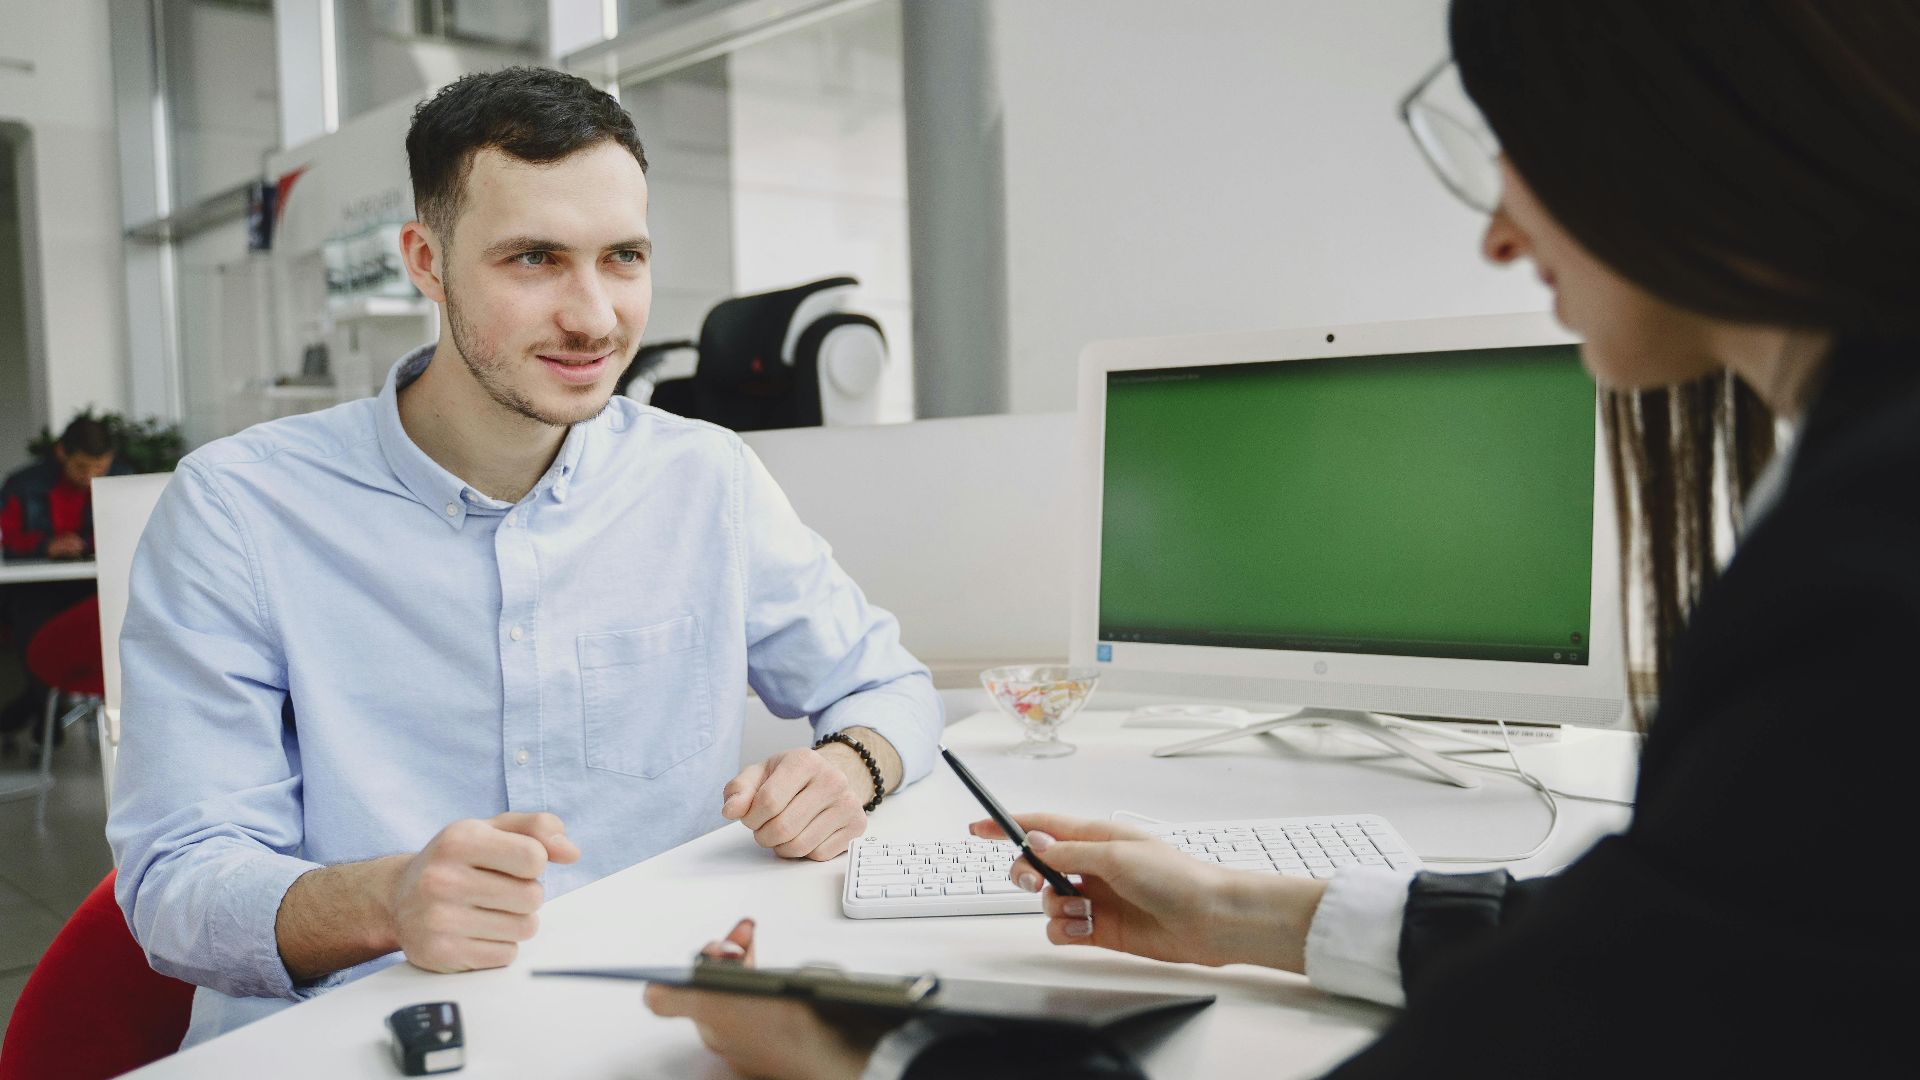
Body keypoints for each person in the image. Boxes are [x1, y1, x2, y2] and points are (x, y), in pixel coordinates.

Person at [643, 2, 1915, 1076]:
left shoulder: (1861, 573)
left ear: (1695, 125)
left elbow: (1627, 994)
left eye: (1522, 142)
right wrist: (1249, 911)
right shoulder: (1856, 499)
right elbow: (1661, 955)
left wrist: (877, 1057)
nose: (1499, 231)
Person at [106, 66, 943, 1048]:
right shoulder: (237, 509)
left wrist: (850, 767)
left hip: (642, 1030)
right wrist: (391, 898)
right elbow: (176, 883)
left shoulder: (704, 479)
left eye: (622, 256)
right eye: (535, 259)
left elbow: (890, 686)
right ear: (427, 259)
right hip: (360, 1035)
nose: (593, 317)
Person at [0, 416, 121, 744]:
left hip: (90, 587)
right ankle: (44, 715)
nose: (91, 476)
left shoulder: (123, 481)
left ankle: (38, 712)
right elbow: (7, 541)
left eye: (101, 467)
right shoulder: (23, 485)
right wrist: (45, 547)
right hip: (37, 587)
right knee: (35, 627)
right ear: (62, 454)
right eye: (83, 466)